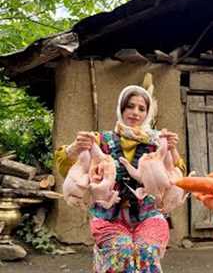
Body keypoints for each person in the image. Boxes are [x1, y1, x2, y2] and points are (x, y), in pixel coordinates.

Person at [55, 85, 186, 273]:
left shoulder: (158, 143)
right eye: (130, 106)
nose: (135, 113)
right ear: (121, 108)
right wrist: (74, 148)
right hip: (109, 217)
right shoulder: (100, 140)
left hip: (148, 214)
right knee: (121, 252)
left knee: (146, 251)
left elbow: (178, 172)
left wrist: (172, 150)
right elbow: (64, 165)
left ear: (148, 114)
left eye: (142, 109)